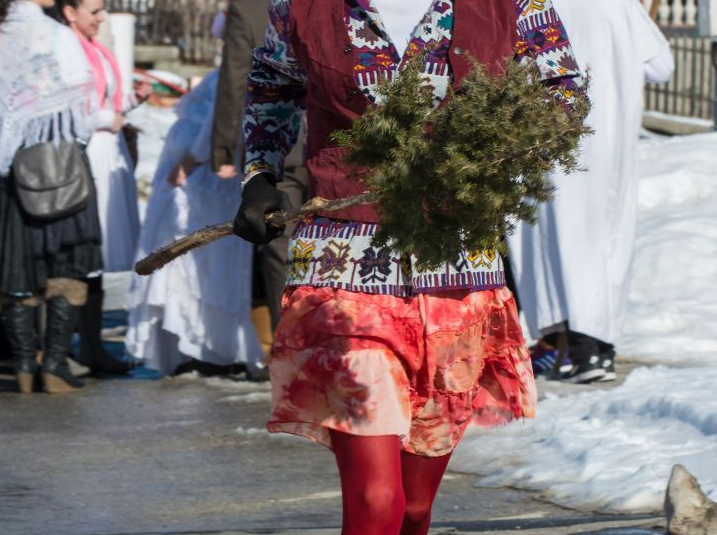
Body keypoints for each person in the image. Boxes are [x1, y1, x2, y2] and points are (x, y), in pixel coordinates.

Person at [232, 0, 584, 533]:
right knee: (377, 498)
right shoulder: (303, 7)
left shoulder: (514, 5)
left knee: (414, 507)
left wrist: (497, 149)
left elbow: (562, 92)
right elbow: (271, 87)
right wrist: (260, 175)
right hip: (344, 273)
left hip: (457, 278)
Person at [507, 0, 674, 384]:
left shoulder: (531, 4)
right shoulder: (620, 5)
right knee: (603, 242)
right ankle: (594, 349)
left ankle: (571, 347)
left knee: (553, 244)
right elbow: (662, 67)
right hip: (610, 142)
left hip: (550, 139)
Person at [125, 18, 263, 377]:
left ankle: (210, 346)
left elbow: (221, 123)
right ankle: (194, 343)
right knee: (193, 262)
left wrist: (191, 160)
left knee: (202, 261)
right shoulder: (224, 74)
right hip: (198, 176)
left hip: (205, 178)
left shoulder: (236, 75)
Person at [0, 0, 102, 394]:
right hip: (57, 165)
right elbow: (83, 106)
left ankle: (24, 365)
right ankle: (56, 364)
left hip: (7, 169)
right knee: (66, 264)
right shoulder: (56, 34)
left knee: (15, 268)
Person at [54, 0, 149, 375]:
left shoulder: (95, 48)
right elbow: (69, 106)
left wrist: (131, 100)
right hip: (86, 151)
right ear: (69, 12)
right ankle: (77, 344)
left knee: (98, 247)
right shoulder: (66, 47)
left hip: (107, 150)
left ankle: (90, 343)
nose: (101, 17)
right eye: (93, 11)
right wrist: (109, 117)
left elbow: (105, 98)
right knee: (86, 242)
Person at [210, 0, 307, 361]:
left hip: (282, 142)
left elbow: (236, 78)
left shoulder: (249, 7)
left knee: (281, 244)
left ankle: (290, 353)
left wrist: (223, 148)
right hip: (338, 138)